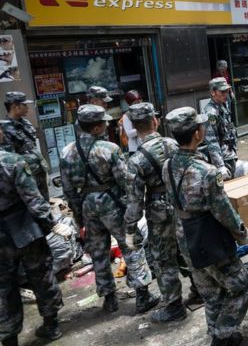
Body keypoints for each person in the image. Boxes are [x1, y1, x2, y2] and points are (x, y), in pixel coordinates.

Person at [163, 107, 248, 346]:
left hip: (185, 237)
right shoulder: (207, 172)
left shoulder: (167, 165)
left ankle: (218, 332)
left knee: (211, 292)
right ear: (196, 134)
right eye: (201, 126)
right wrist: (243, 233)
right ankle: (223, 335)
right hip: (209, 238)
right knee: (241, 286)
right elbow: (223, 210)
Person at [60, 104, 158, 315]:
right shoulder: (109, 149)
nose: (107, 124)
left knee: (98, 252)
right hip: (113, 204)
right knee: (132, 246)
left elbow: (68, 191)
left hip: (87, 206)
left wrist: (79, 216)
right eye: (104, 122)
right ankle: (142, 295)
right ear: (95, 128)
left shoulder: (67, 152)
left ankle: (109, 299)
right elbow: (125, 181)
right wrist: (133, 207)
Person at [0, 127, 71, 346]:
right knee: (40, 275)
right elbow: (33, 199)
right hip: (24, 227)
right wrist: (52, 224)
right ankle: (51, 325)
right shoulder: (13, 161)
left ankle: (9, 336)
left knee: (4, 286)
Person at [123, 102, 187, 323]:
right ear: (155, 121)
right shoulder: (174, 143)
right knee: (186, 249)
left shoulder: (136, 160)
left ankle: (175, 307)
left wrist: (130, 230)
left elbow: (134, 201)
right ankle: (201, 291)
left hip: (158, 212)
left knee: (164, 259)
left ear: (133, 127)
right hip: (183, 204)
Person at [1, 92, 50, 199]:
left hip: (39, 172)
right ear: (14, 106)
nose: (27, 108)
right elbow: (10, 161)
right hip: (26, 179)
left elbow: (32, 146)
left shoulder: (26, 123)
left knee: (45, 202)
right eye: (24, 105)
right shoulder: (5, 129)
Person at [202, 78, 238, 179]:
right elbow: (211, 141)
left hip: (230, 153)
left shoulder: (223, 104)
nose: (225, 94)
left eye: (227, 91)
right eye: (222, 92)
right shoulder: (211, 113)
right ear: (213, 93)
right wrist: (220, 166)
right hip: (222, 158)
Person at [119, 90, 142, 154]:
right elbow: (129, 134)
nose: (138, 105)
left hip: (146, 145)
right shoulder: (127, 115)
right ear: (130, 104)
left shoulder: (145, 112)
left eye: (139, 102)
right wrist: (142, 129)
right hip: (135, 149)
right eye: (135, 103)